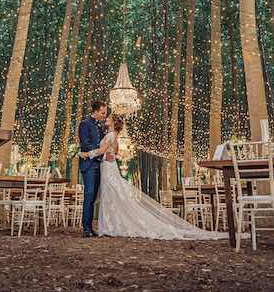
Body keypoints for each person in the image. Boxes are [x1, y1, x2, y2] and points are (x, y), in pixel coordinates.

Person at [80, 114, 225, 240]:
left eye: (109, 117)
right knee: (111, 197)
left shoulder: (111, 135)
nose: (107, 118)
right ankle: (110, 225)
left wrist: (86, 154)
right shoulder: (115, 136)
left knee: (110, 197)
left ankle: (110, 226)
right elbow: (116, 153)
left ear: (113, 122)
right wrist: (110, 155)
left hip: (108, 168)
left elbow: (102, 151)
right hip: (109, 167)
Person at [78, 100, 108, 237]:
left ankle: (90, 226)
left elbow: (103, 143)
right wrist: (98, 150)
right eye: (102, 113)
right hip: (88, 165)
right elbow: (85, 144)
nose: (104, 115)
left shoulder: (99, 126)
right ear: (95, 111)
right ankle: (85, 228)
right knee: (89, 195)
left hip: (98, 164)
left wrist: (105, 151)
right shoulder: (85, 124)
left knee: (94, 197)